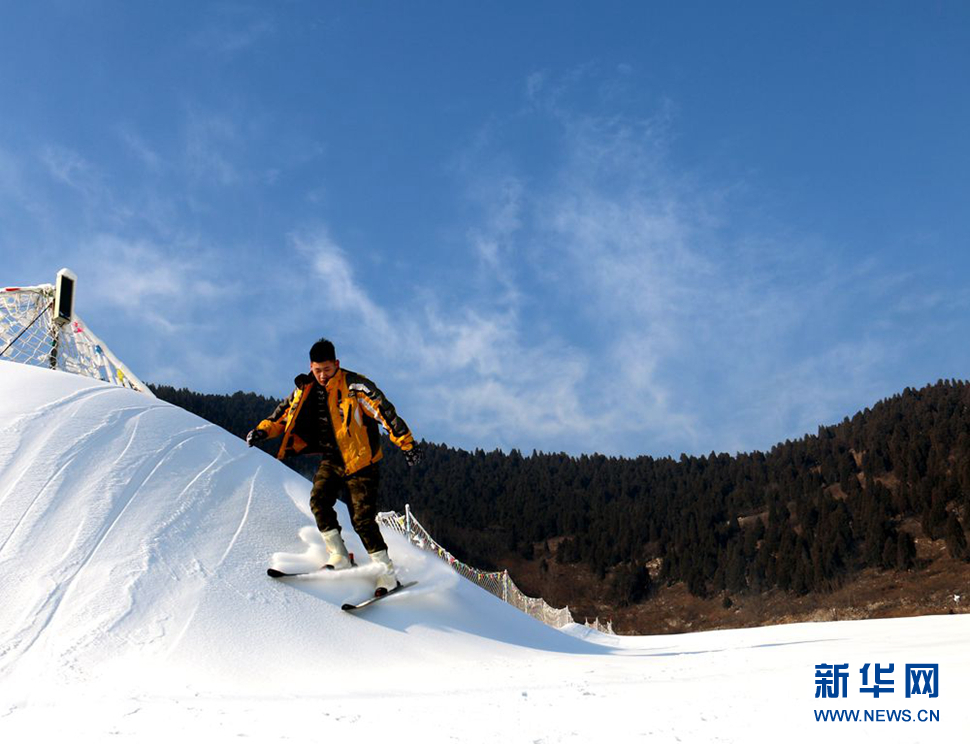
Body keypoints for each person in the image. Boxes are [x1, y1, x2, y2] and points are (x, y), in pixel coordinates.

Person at [246, 338, 422, 596]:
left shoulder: (355, 385)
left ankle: (386, 573)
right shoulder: (304, 389)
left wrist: (407, 444)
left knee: (362, 520)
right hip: (332, 459)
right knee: (318, 500)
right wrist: (261, 432)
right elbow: (282, 416)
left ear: (336, 365)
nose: (323, 375)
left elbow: (385, 412)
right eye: (318, 370)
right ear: (311, 367)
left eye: (327, 370)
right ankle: (338, 556)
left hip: (362, 462)